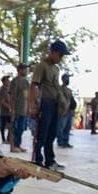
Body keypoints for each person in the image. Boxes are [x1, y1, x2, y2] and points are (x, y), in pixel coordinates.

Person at [30, 40, 70, 170]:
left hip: (54, 105)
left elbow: (56, 87)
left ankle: (50, 160)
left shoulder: (56, 69)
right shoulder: (42, 66)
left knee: (51, 134)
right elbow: (34, 85)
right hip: (45, 104)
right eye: (60, 55)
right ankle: (38, 159)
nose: (61, 58)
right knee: (42, 133)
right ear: (53, 52)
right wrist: (33, 105)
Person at [10, 63, 30, 152]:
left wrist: (28, 108)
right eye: (24, 69)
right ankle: (13, 146)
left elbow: (28, 95)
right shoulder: (15, 81)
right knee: (15, 128)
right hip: (17, 108)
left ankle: (18, 144)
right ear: (19, 70)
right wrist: (12, 108)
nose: (26, 70)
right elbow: (12, 96)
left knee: (21, 128)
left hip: (24, 109)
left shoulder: (26, 81)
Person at [56, 73, 74, 148]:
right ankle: (60, 141)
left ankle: (66, 141)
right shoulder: (59, 89)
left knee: (68, 127)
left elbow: (71, 100)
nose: (68, 80)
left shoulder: (69, 90)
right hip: (62, 110)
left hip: (69, 111)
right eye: (67, 78)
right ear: (63, 79)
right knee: (61, 127)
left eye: (68, 78)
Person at [0, 76, 12, 145]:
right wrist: (9, 107)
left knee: (10, 125)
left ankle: (8, 139)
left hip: (8, 111)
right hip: (5, 111)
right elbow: (2, 102)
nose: (9, 82)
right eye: (7, 80)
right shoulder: (2, 90)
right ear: (4, 82)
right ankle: (4, 139)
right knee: (4, 125)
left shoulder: (8, 89)